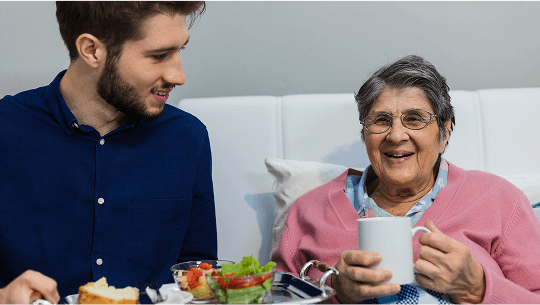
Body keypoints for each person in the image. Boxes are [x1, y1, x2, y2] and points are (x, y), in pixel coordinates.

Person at [271, 55, 540, 304]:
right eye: (381, 120)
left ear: (444, 133)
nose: (396, 135)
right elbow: (278, 295)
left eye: (414, 119)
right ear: (365, 134)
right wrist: (336, 293)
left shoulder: (499, 200)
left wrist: (478, 289)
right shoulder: (308, 211)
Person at [0, 1, 217, 303]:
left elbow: (199, 271)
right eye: (158, 55)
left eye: (180, 50)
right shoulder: (5, 130)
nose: (178, 75)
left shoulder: (187, 138)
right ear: (91, 50)